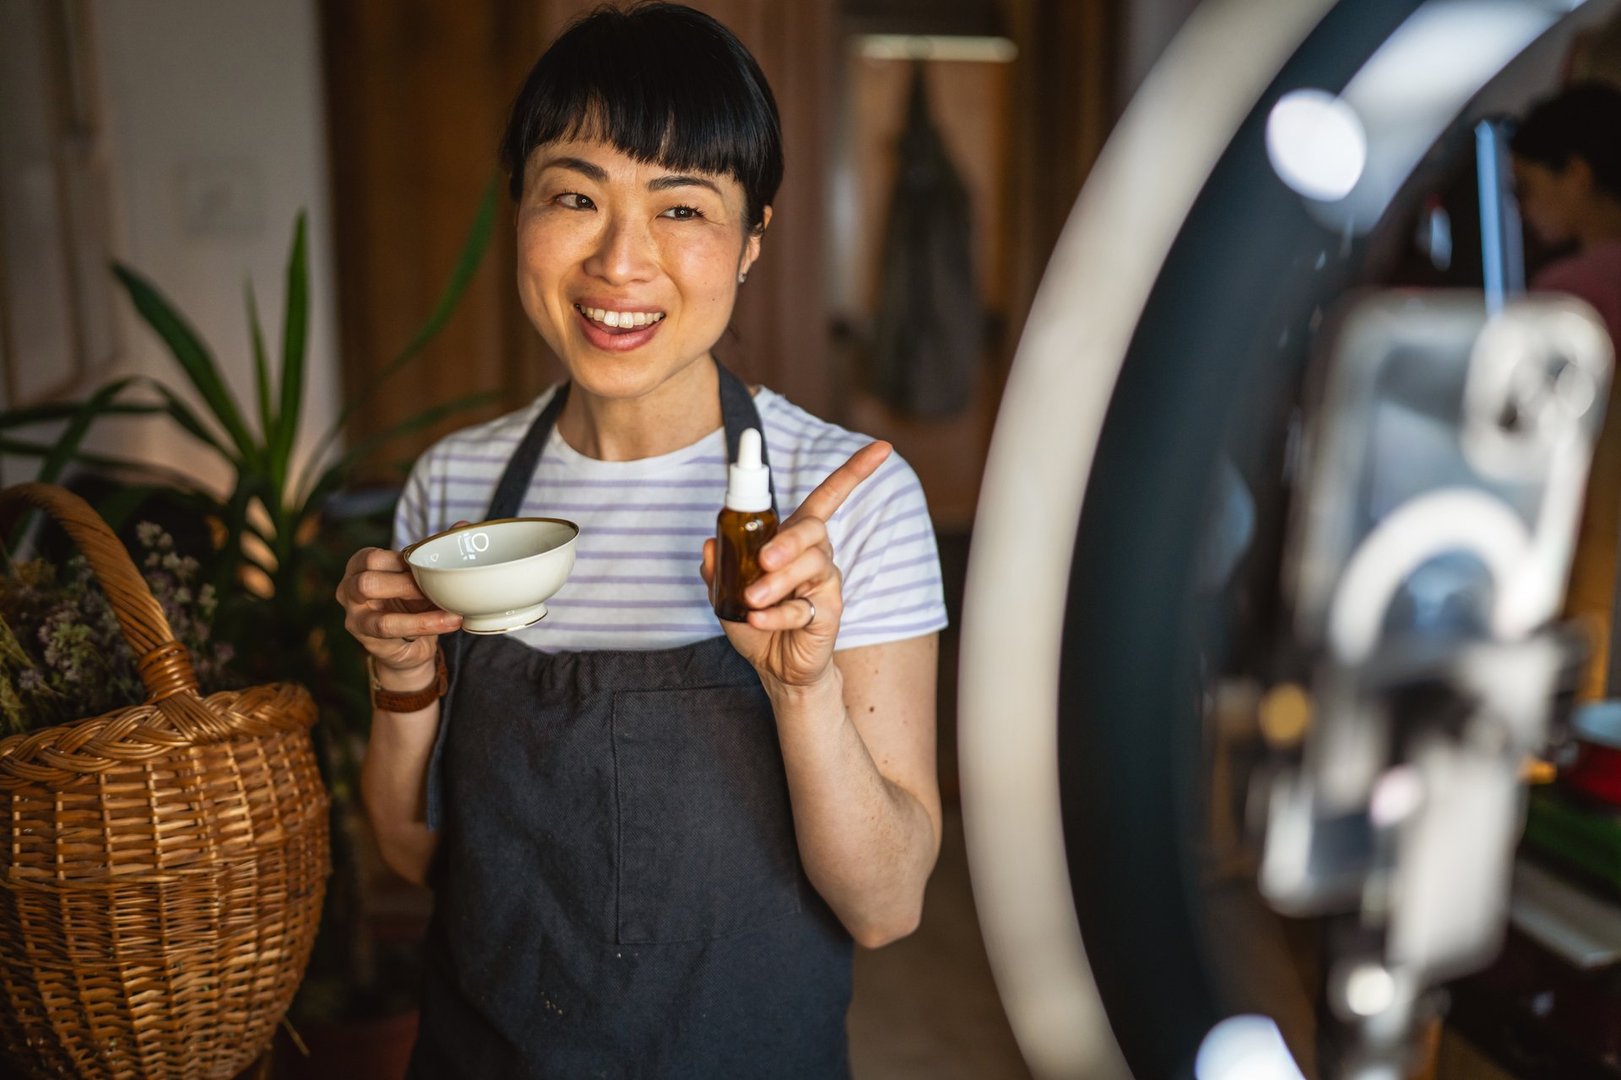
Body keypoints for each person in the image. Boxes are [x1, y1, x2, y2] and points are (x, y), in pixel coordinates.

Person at [334, 4, 947, 1076]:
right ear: (519, 209)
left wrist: (801, 694)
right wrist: (401, 681)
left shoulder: (845, 503)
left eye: (682, 208)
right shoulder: (458, 489)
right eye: (575, 196)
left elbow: (886, 905)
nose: (621, 261)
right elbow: (417, 858)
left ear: (753, 237)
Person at [1512, 81, 1621, 699]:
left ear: (1575, 176)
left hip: (1585, 570)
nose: (1525, 210)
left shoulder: (1572, 293)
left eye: (1528, 188)